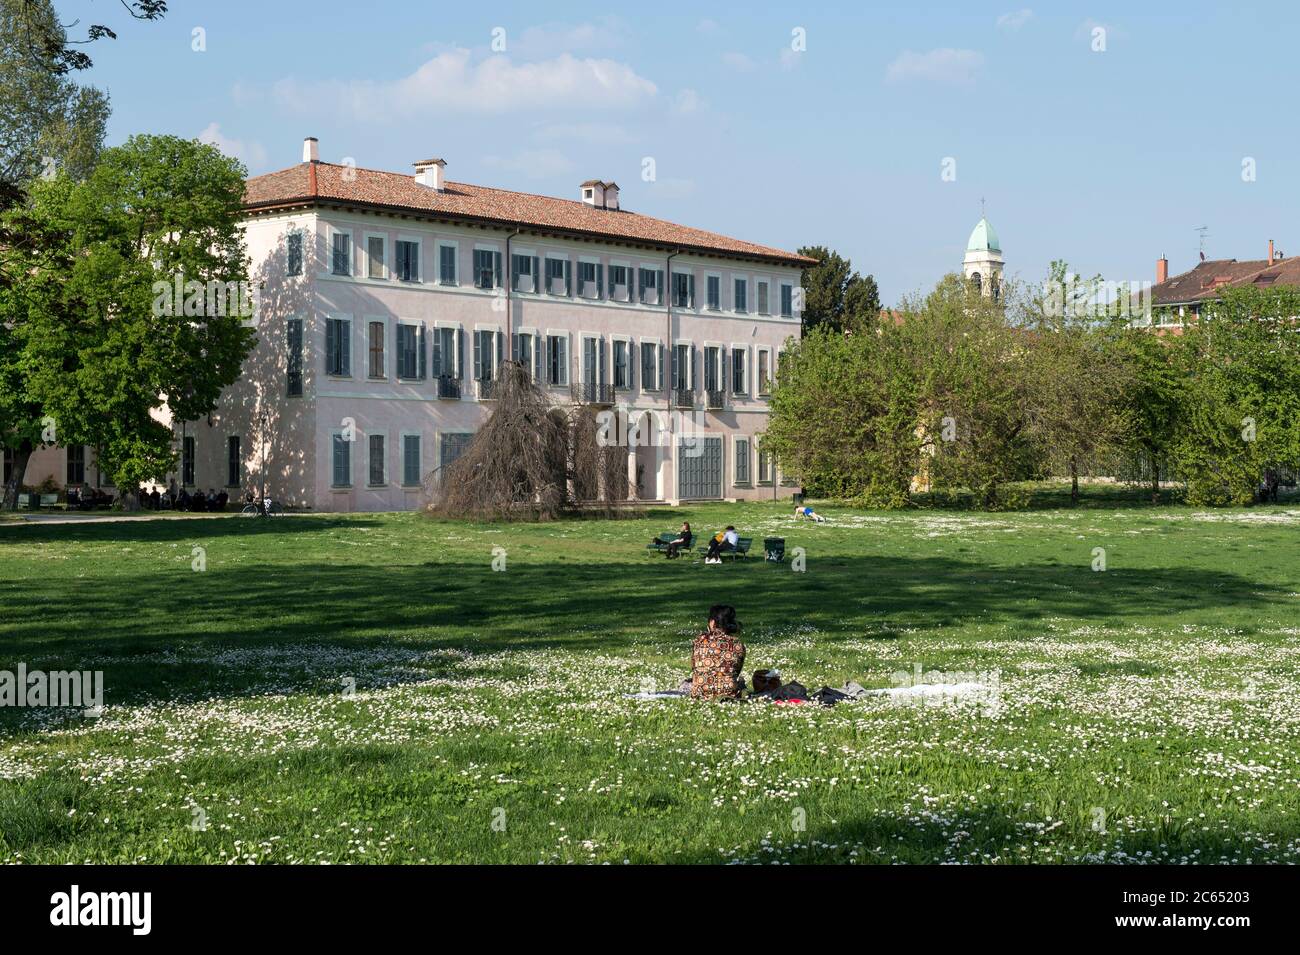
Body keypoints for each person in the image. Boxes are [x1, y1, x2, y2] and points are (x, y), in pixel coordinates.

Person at [691, 604, 746, 701]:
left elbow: (694, 667)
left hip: (701, 694)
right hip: (729, 693)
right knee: (741, 682)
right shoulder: (737, 644)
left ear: (712, 623)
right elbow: (736, 671)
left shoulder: (699, 640)